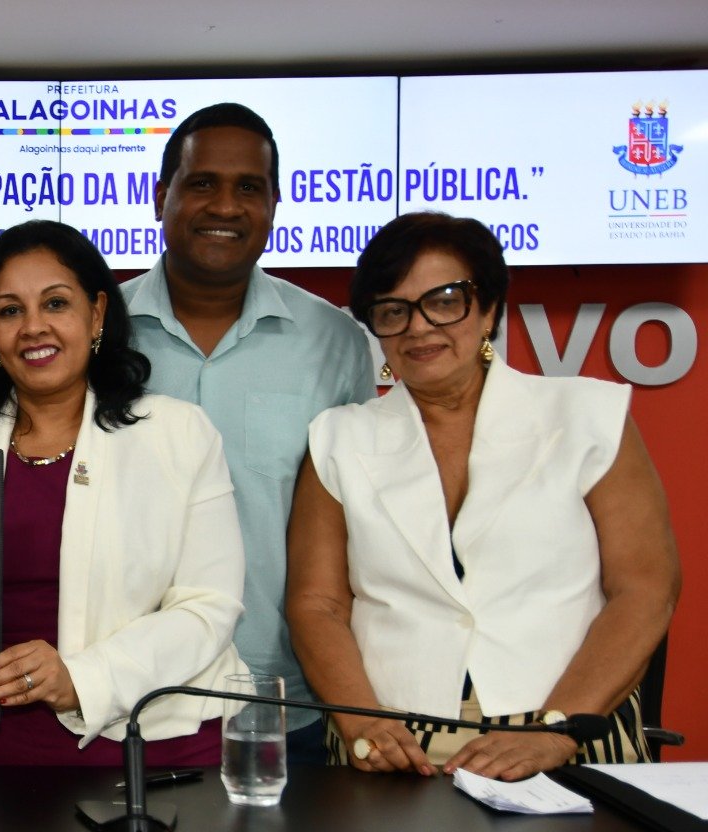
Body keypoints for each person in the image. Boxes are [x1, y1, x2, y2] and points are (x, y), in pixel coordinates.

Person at [286, 212, 679, 781]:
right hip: (395, 744)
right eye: (393, 310)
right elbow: (317, 603)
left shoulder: (588, 415)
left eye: (444, 301)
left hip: (569, 730)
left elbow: (644, 588)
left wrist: (556, 730)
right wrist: (363, 723)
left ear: (489, 309)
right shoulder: (337, 437)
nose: (419, 327)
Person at [0, 220, 248, 766]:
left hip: (145, 744)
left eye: (56, 303)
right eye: (9, 311)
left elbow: (208, 607)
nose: (33, 327)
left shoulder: (179, 434)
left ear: (97, 314)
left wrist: (82, 679)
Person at [121, 103, 375, 763]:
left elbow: (364, 528)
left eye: (249, 188)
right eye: (202, 183)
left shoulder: (335, 342)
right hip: (123, 696)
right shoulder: (96, 331)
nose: (226, 206)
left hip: (286, 700)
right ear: (160, 196)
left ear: (274, 205)